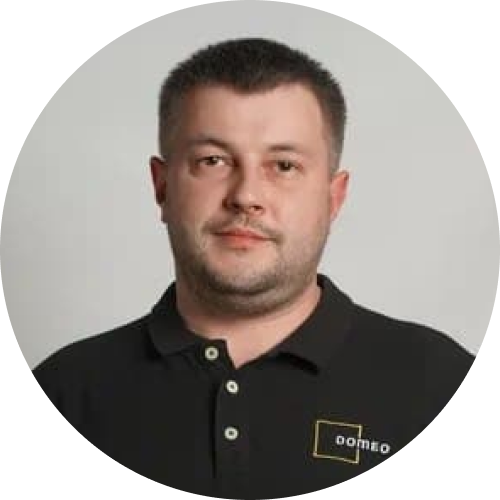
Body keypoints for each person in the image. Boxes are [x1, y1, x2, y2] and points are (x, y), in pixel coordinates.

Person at [32, 37, 475, 497]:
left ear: (334, 197)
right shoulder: (65, 392)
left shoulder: (440, 385)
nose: (246, 196)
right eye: (213, 161)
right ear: (162, 187)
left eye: (283, 165)